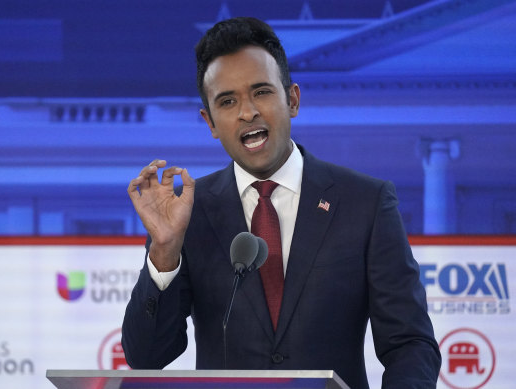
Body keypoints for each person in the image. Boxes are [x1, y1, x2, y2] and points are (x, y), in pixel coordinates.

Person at [122, 17, 441, 389]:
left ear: (292, 100)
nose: (247, 112)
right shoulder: (188, 214)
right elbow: (147, 357)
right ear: (210, 123)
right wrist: (164, 251)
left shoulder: (366, 203)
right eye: (227, 101)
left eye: (261, 92)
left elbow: (411, 344)